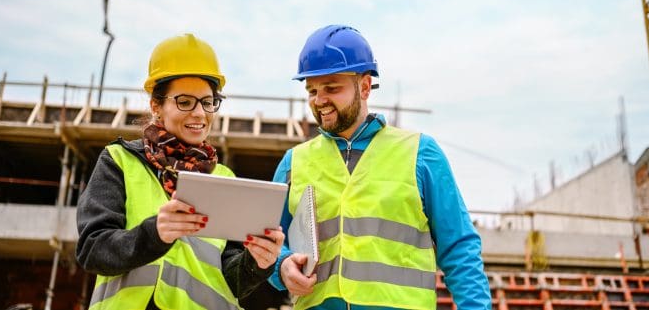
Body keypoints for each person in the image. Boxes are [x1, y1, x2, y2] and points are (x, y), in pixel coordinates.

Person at [268, 25, 492, 310]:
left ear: (364, 86)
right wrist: (281, 266)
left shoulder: (421, 154)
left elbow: (460, 249)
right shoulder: (293, 163)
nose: (319, 100)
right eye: (311, 90)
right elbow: (269, 245)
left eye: (331, 88)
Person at [76, 33, 285, 310]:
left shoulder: (224, 178)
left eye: (208, 102)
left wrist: (258, 262)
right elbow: (93, 250)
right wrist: (153, 234)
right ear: (156, 106)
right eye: (185, 102)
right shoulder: (120, 161)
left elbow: (232, 281)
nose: (200, 113)